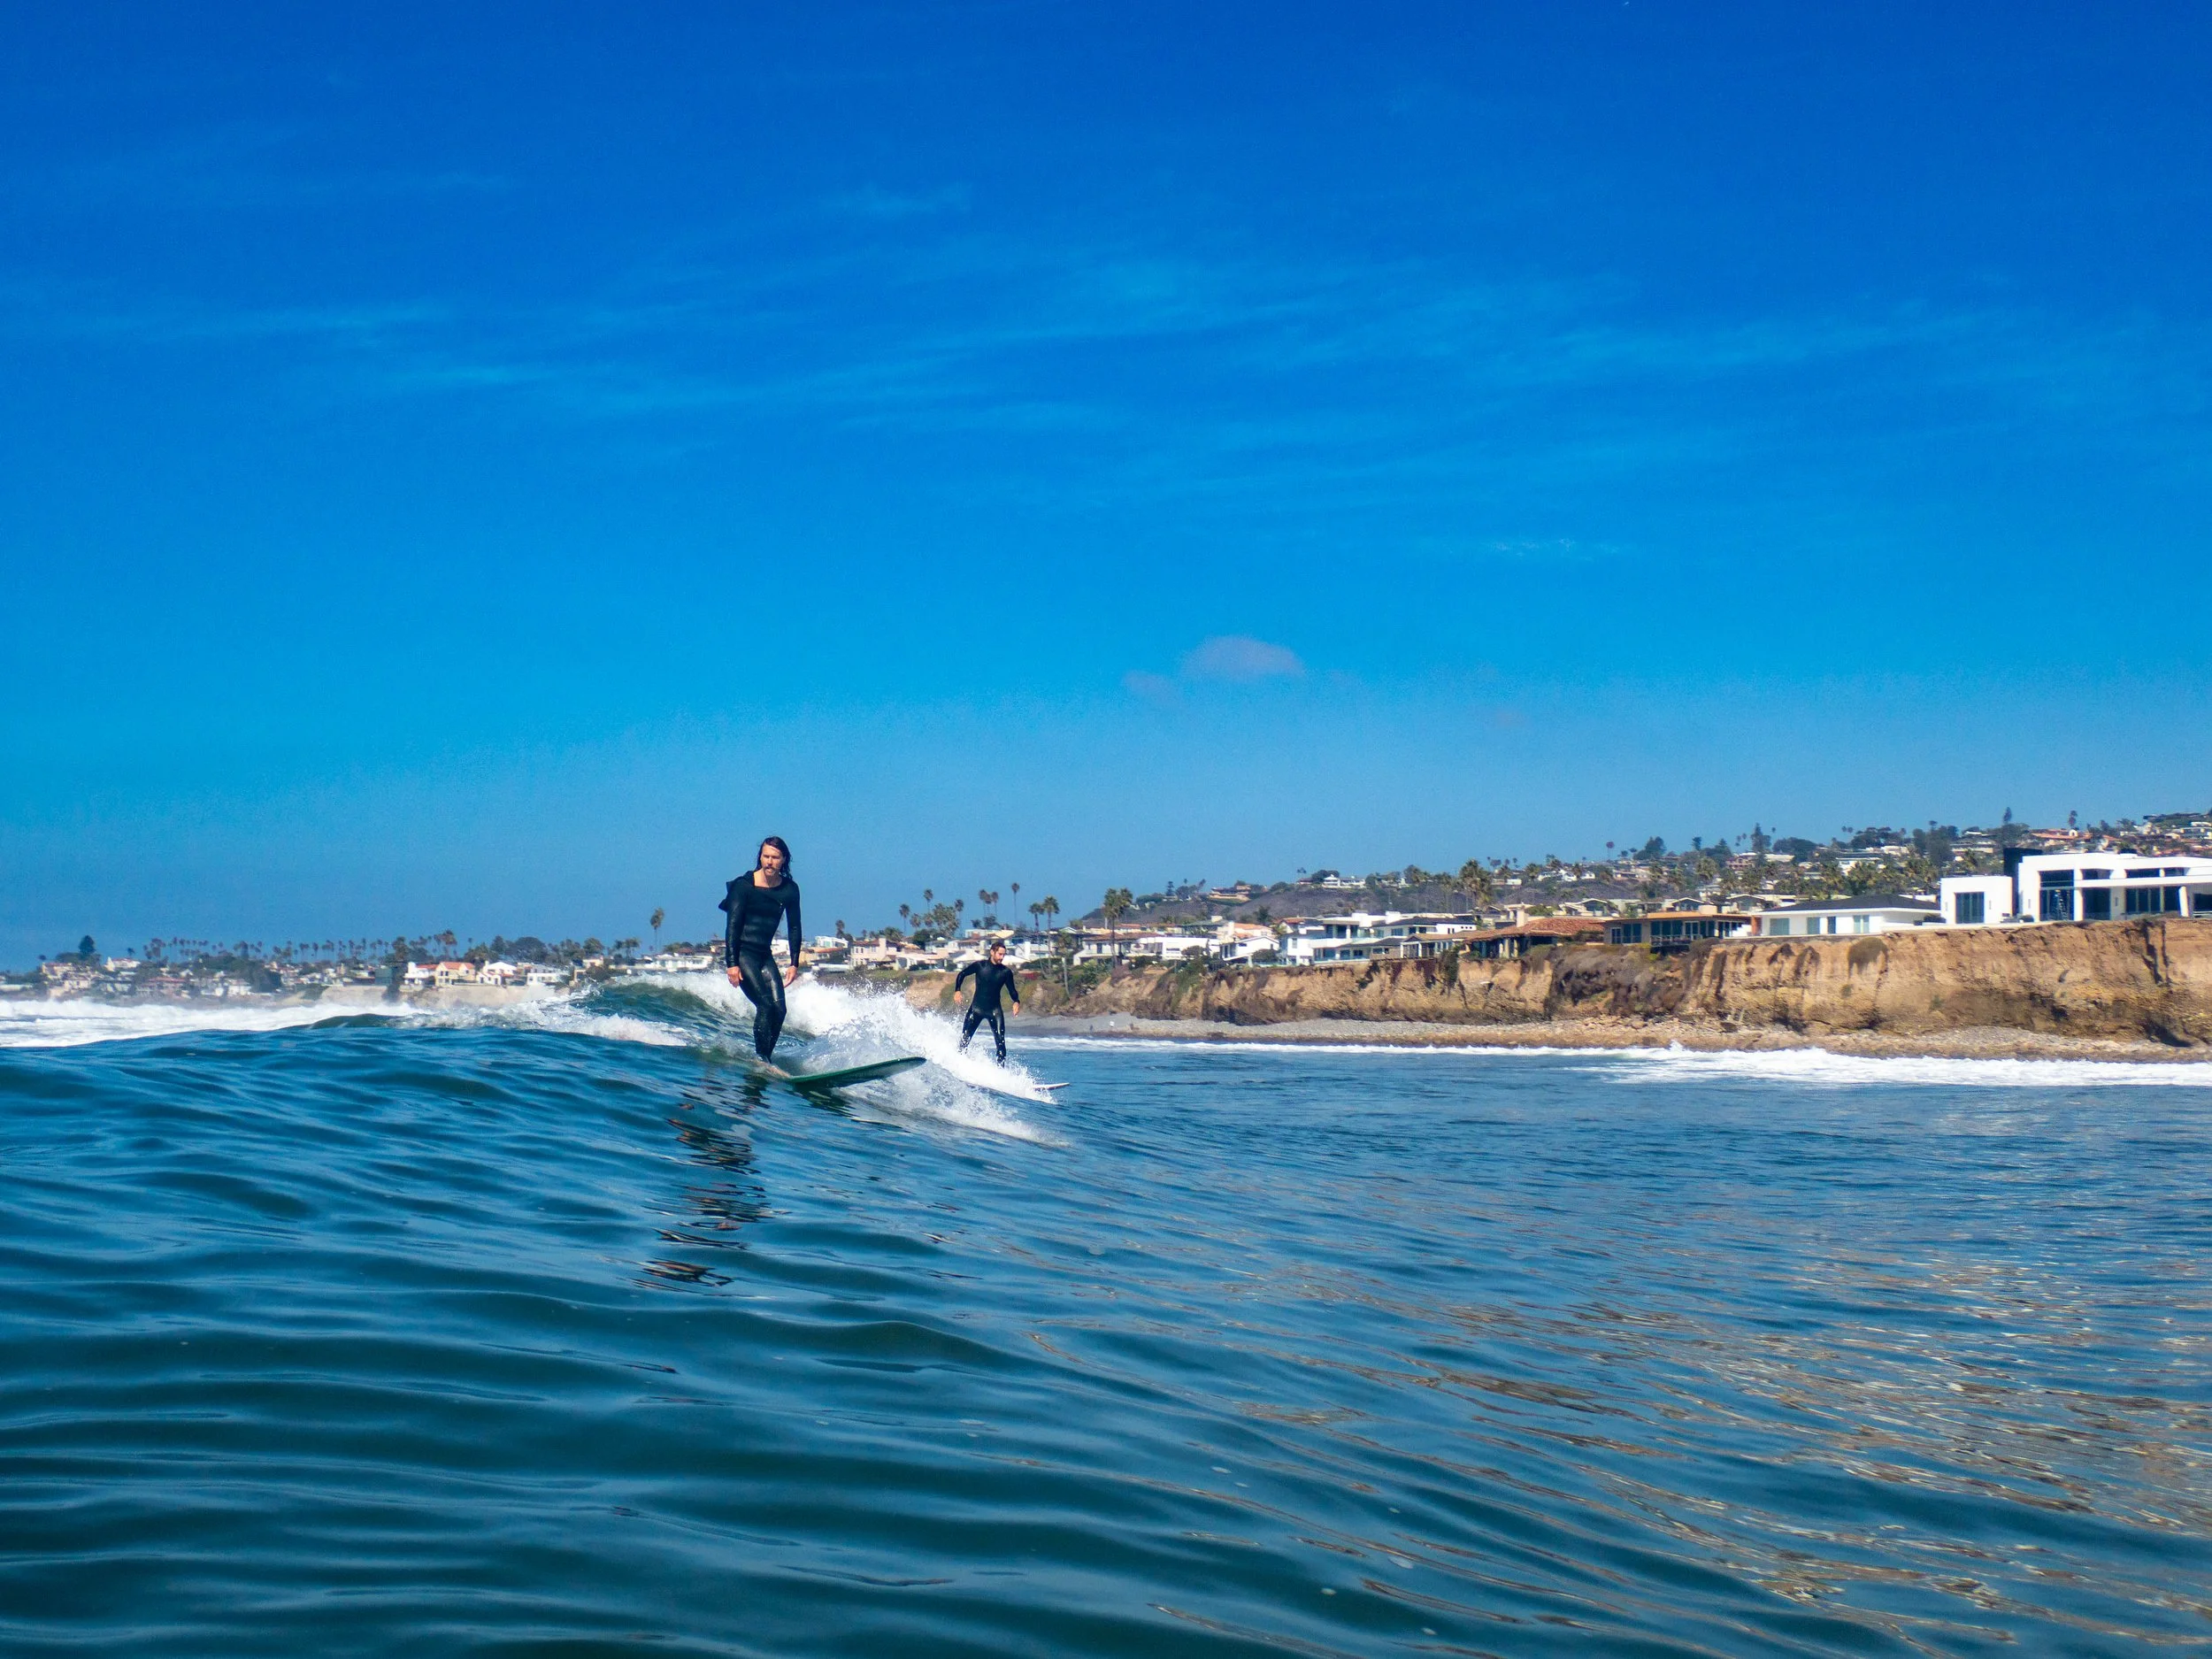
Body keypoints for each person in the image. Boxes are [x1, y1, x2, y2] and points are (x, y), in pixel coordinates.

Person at [720, 835, 803, 1061]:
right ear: (760, 857)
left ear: (783, 860)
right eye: (765, 856)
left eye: (775, 857)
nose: (769, 861)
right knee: (765, 1005)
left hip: (764, 955)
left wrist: (794, 963)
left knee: (780, 1010)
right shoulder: (743, 886)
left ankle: (767, 1057)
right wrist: (732, 964)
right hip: (743, 953)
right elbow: (733, 926)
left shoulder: (790, 890)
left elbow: (794, 926)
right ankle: (762, 1058)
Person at [954, 940, 1021, 1063]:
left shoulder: (1005, 972)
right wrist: (957, 990)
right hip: (976, 1009)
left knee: (1001, 1043)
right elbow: (962, 974)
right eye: (1000, 954)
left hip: (995, 1011)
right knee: (965, 1040)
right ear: (992, 952)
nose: (1002, 957)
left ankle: (1001, 1073)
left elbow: (1012, 990)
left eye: (1003, 955)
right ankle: (958, 1065)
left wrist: (1016, 1001)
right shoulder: (980, 966)